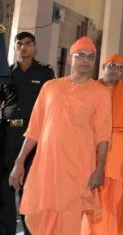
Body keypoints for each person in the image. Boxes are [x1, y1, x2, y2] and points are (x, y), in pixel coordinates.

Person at [8, 36, 111, 234]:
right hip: (47, 165)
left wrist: (100, 168)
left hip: (78, 166)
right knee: (40, 216)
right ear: (71, 58)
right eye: (80, 55)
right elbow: (34, 129)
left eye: (90, 56)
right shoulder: (50, 87)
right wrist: (19, 162)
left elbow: (103, 135)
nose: (86, 60)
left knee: (69, 218)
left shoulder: (100, 93)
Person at [0, 32, 55, 235]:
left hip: (34, 137)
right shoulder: (6, 73)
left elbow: (52, 105)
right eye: (19, 44)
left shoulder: (45, 73)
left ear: (35, 47)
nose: (23, 47)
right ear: (15, 48)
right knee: (5, 186)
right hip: (8, 135)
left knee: (30, 187)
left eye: (28, 43)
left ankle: (31, 231)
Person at [84, 54, 123, 235]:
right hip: (91, 149)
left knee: (115, 201)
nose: (115, 70)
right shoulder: (90, 89)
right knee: (91, 198)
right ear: (103, 67)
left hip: (118, 154)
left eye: (119, 67)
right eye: (111, 66)